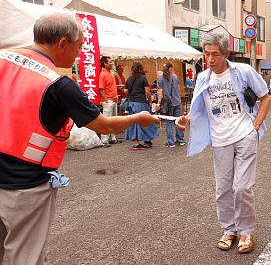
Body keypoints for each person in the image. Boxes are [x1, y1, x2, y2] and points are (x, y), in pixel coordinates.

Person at [0, 13, 159, 265]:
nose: (78, 54)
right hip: (25, 186)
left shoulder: (4, 56)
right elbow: (102, 125)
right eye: (78, 46)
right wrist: (139, 118)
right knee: (26, 257)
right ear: (62, 43)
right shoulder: (58, 83)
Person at [175, 33, 270, 254]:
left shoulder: (243, 71)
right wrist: (186, 118)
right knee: (223, 189)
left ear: (226, 53)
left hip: (245, 134)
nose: (209, 59)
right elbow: (198, 109)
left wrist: (255, 126)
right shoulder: (202, 78)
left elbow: (265, 98)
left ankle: (245, 231)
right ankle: (229, 230)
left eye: (215, 54)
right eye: (206, 54)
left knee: (242, 187)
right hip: (220, 140)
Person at [125, 62, 159, 150]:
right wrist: (150, 101)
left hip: (131, 103)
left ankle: (136, 143)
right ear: (141, 69)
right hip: (141, 102)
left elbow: (125, 91)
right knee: (146, 120)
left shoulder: (129, 78)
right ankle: (147, 140)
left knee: (133, 122)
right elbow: (147, 92)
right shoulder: (143, 78)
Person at [157, 63, 185, 148]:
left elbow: (160, 91)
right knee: (178, 121)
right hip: (177, 101)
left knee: (169, 123)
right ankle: (180, 140)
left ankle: (171, 142)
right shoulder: (175, 77)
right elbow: (178, 89)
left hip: (168, 103)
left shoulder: (160, 79)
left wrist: (158, 102)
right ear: (170, 69)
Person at [99, 56, 119, 147]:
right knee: (106, 121)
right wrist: (106, 100)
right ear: (105, 63)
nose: (112, 63)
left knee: (114, 120)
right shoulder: (102, 74)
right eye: (110, 62)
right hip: (109, 100)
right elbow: (101, 89)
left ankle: (113, 138)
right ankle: (104, 140)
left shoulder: (110, 73)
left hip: (113, 99)